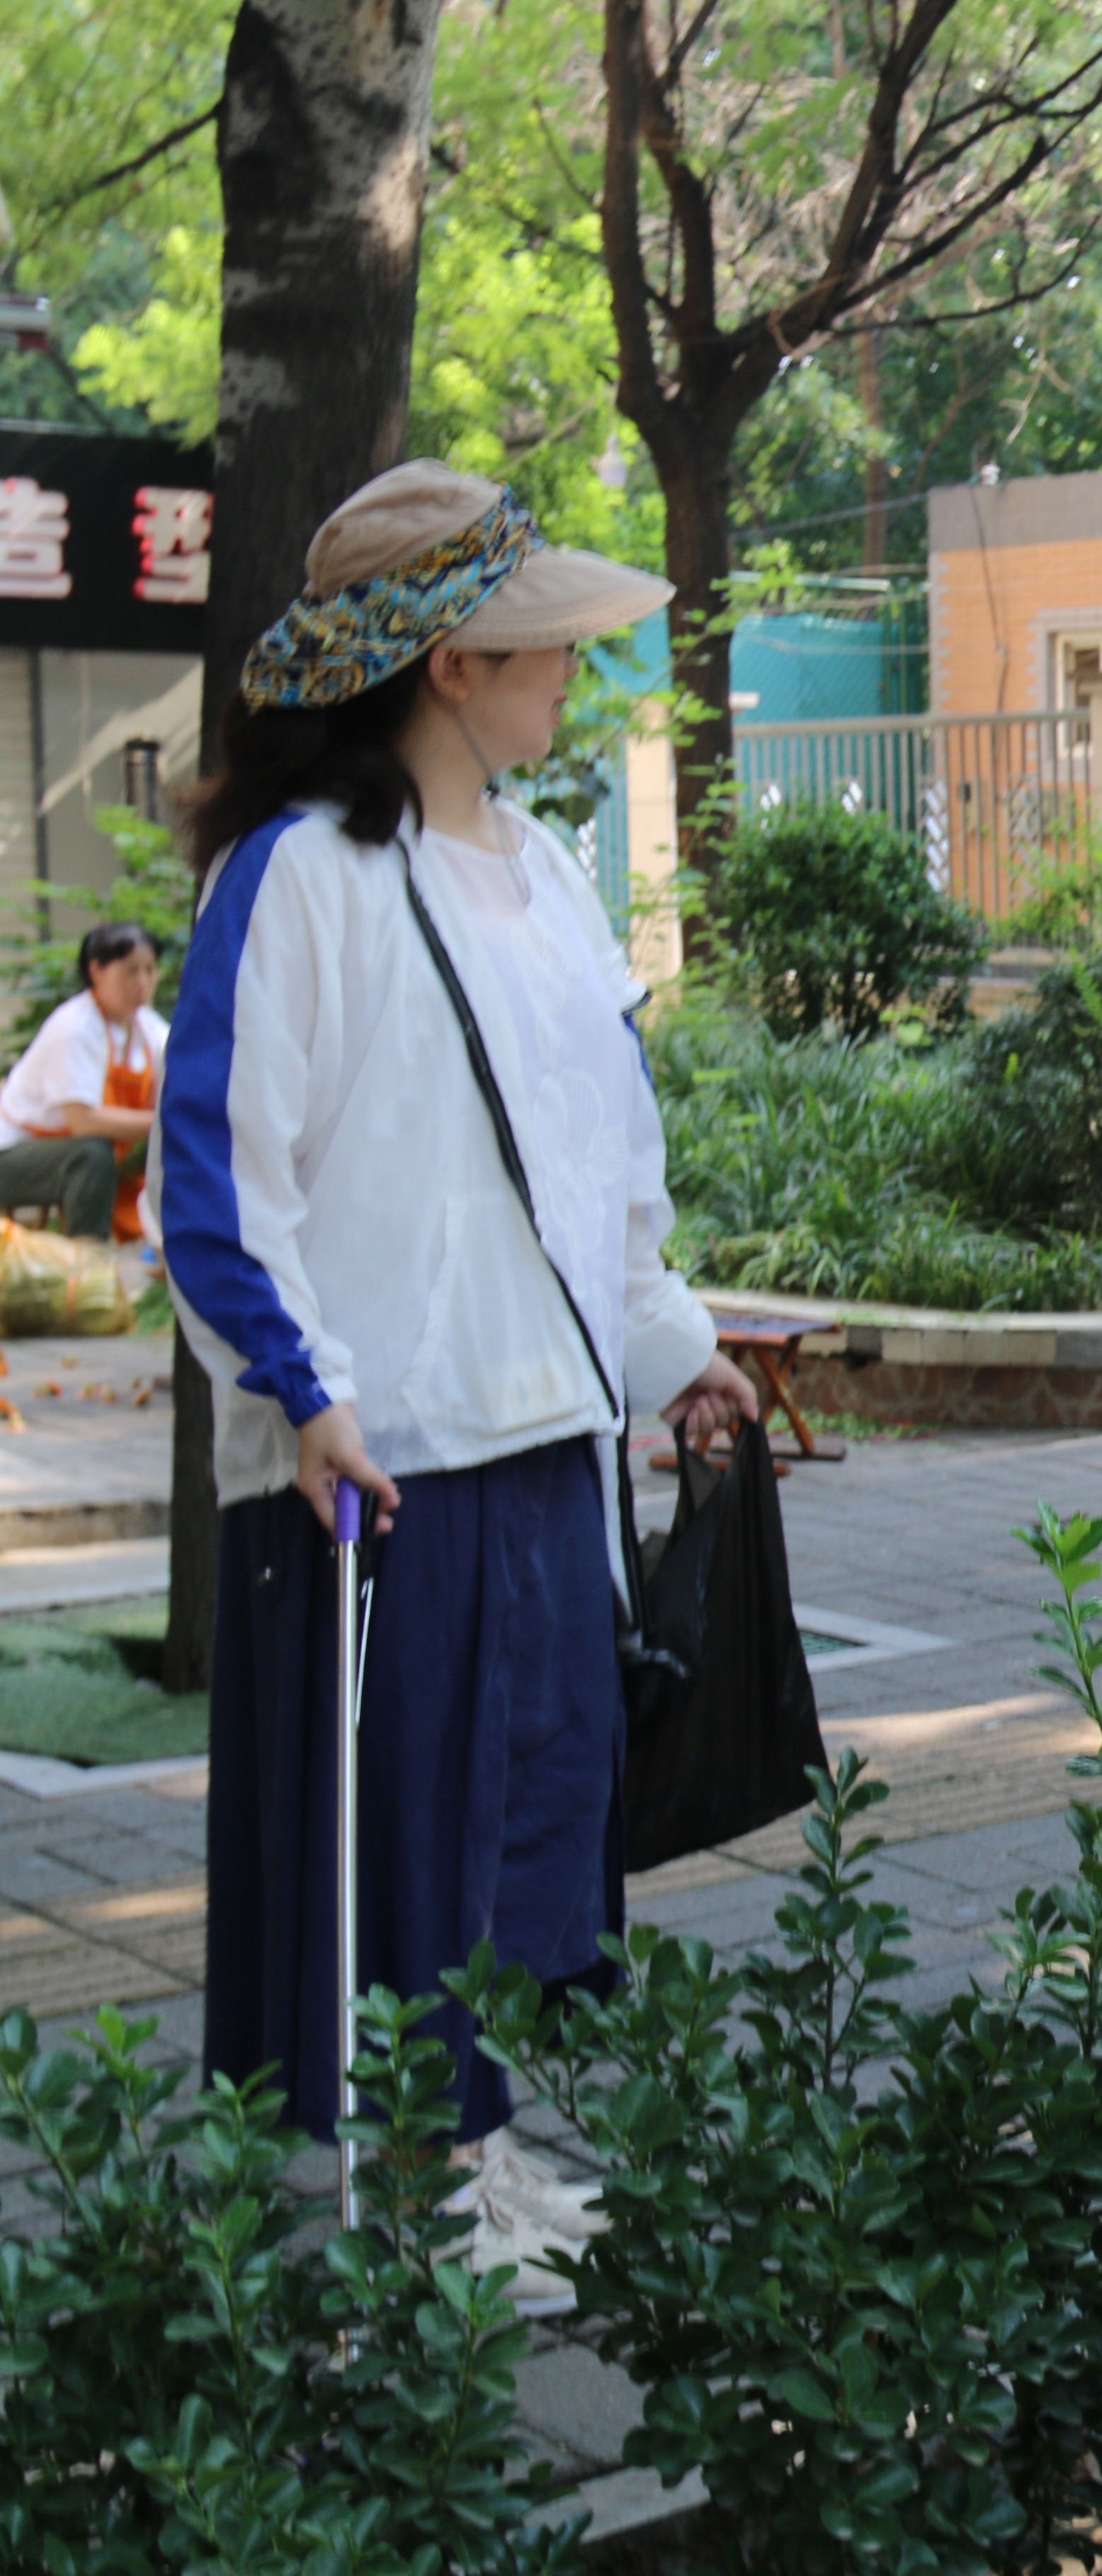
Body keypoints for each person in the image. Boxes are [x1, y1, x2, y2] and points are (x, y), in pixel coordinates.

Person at [163, 462, 762, 2307]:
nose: (569, 677)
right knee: (392, 1838)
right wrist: (301, 1391)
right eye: (541, 646)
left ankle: (476, 2157)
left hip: (545, 1437)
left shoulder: (548, 870)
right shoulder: (301, 880)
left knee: (519, 1830)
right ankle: (391, 2190)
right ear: (448, 664)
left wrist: (674, 1352)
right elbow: (216, 1177)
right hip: (388, 1457)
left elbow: (601, 1161)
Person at [0, 922, 167, 1241]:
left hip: (68, 1149)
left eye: (149, 970)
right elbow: (82, 1120)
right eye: (130, 971)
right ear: (96, 971)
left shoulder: (148, 1028)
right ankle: (88, 1260)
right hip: (11, 1154)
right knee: (91, 1155)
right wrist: (161, 1121)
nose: (143, 982)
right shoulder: (76, 1027)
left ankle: (161, 1246)